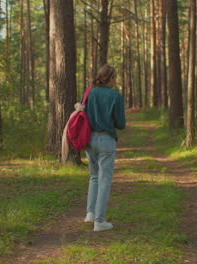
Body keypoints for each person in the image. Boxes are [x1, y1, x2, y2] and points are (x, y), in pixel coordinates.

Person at [83, 65, 126, 231]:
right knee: (104, 180)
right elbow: (121, 124)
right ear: (111, 78)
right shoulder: (115, 96)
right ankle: (99, 221)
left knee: (94, 177)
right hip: (106, 140)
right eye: (115, 77)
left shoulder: (89, 93)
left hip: (89, 139)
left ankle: (90, 213)